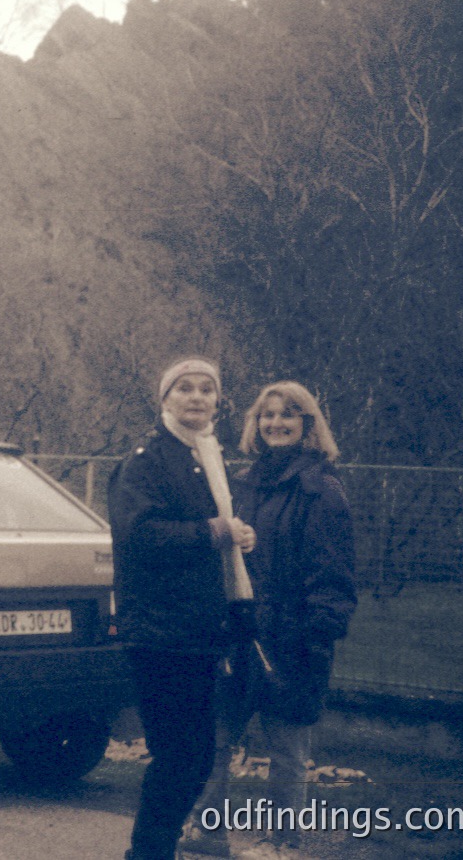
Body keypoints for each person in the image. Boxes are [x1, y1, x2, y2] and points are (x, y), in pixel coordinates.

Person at [181, 382, 357, 859]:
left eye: (288, 415)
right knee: (215, 738)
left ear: (307, 425)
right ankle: (209, 835)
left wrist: (313, 638)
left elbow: (334, 578)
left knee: (286, 754)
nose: (276, 423)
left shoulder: (321, 490)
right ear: (255, 424)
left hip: (293, 639)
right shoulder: (242, 483)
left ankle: (284, 844)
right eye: (267, 415)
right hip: (238, 634)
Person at [109, 356, 256, 860]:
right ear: (165, 399)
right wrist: (216, 532)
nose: (197, 397)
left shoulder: (206, 456)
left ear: (218, 400)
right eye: (184, 388)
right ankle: (148, 853)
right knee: (181, 758)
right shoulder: (147, 460)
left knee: (190, 759)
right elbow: (138, 536)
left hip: (197, 629)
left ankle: (153, 851)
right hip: (159, 631)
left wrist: (237, 537)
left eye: (206, 389)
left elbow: (208, 528)